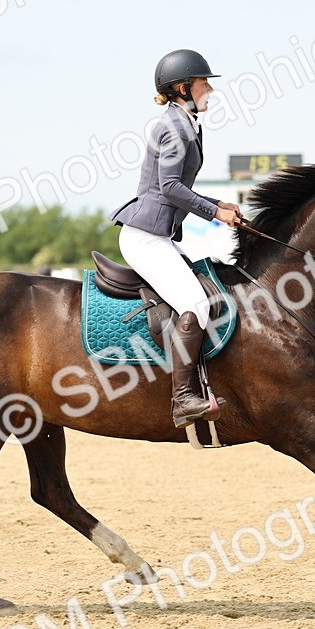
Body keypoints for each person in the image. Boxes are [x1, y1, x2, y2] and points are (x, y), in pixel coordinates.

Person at [107, 49, 242, 429]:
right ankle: (182, 400)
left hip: (159, 235)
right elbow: (169, 187)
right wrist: (215, 213)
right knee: (195, 305)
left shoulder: (187, 123)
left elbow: (177, 187)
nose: (210, 89)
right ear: (183, 88)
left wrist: (219, 202)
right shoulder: (173, 127)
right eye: (204, 82)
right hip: (145, 237)